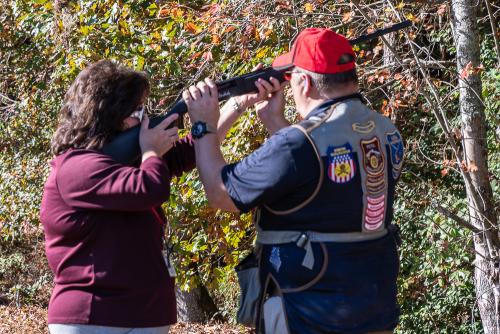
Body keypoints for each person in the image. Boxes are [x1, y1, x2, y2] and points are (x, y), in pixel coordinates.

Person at [183, 28, 404, 334]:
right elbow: (322, 183)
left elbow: (221, 194)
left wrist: (203, 125)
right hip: (372, 306)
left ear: (305, 81)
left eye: (291, 77)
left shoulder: (296, 144)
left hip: (309, 310)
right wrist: (274, 121)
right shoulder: (384, 129)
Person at [39, 60, 262, 334]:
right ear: (115, 116)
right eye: (138, 111)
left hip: (144, 315)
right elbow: (150, 188)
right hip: (95, 317)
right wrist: (150, 151)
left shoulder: (124, 163)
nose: (144, 119)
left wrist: (236, 103)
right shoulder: (75, 168)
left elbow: (189, 151)